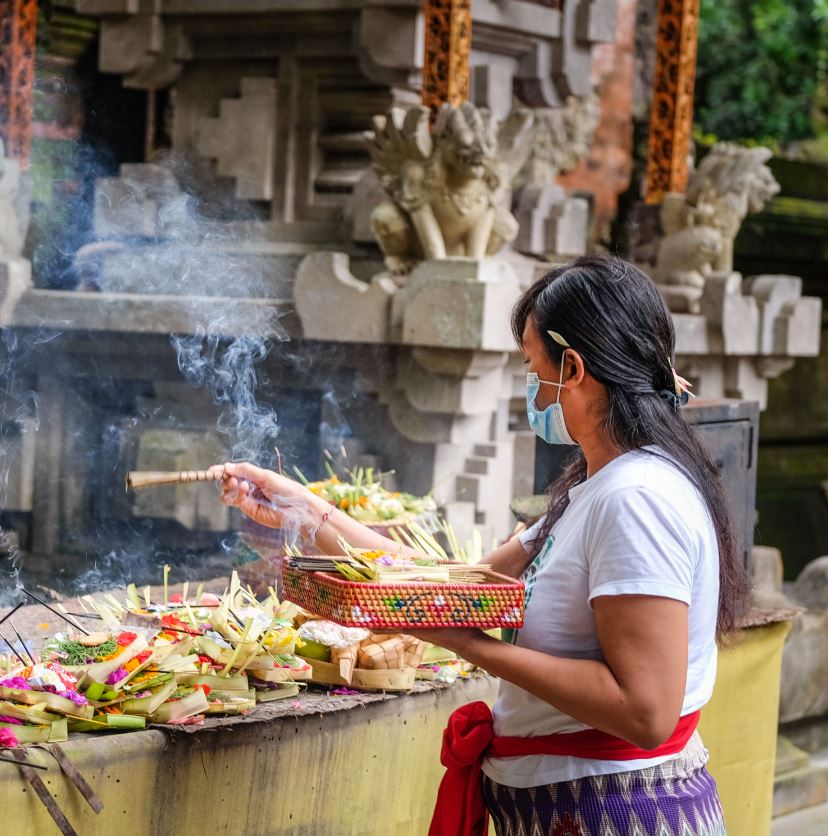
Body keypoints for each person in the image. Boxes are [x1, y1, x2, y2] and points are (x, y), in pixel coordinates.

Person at [214, 255, 749, 836]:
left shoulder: (636, 498)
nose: (529, 386)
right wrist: (303, 510)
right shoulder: (601, 484)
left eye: (530, 364)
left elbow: (646, 711)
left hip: (617, 815)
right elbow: (447, 579)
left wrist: (462, 642)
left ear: (571, 367)